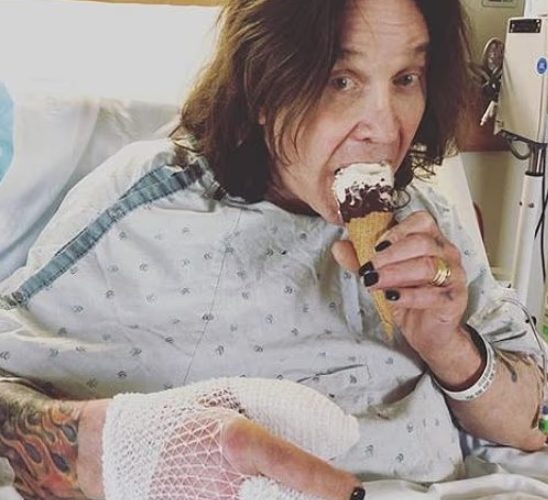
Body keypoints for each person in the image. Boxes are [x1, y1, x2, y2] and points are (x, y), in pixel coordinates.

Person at [0, 0, 545, 498]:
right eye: (340, 80)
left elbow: (533, 424)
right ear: (262, 88)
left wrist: (448, 347)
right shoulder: (150, 196)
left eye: (406, 78)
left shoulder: (427, 220)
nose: (384, 128)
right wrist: (119, 441)